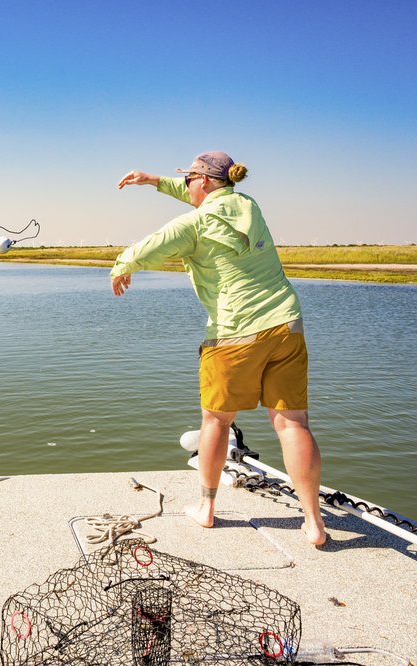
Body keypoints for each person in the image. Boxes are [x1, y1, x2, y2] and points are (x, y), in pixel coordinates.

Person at [111, 151, 327, 546]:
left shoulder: (193, 224)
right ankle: (314, 523)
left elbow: (148, 247)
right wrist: (154, 180)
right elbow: (200, 194)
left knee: (216, 421)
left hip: (234, 333)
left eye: (191, 178)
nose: (188, 184)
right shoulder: (248, 204)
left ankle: (206, 508)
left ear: (206, 181)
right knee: (293, 423)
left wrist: (121, 266)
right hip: (286, 325)